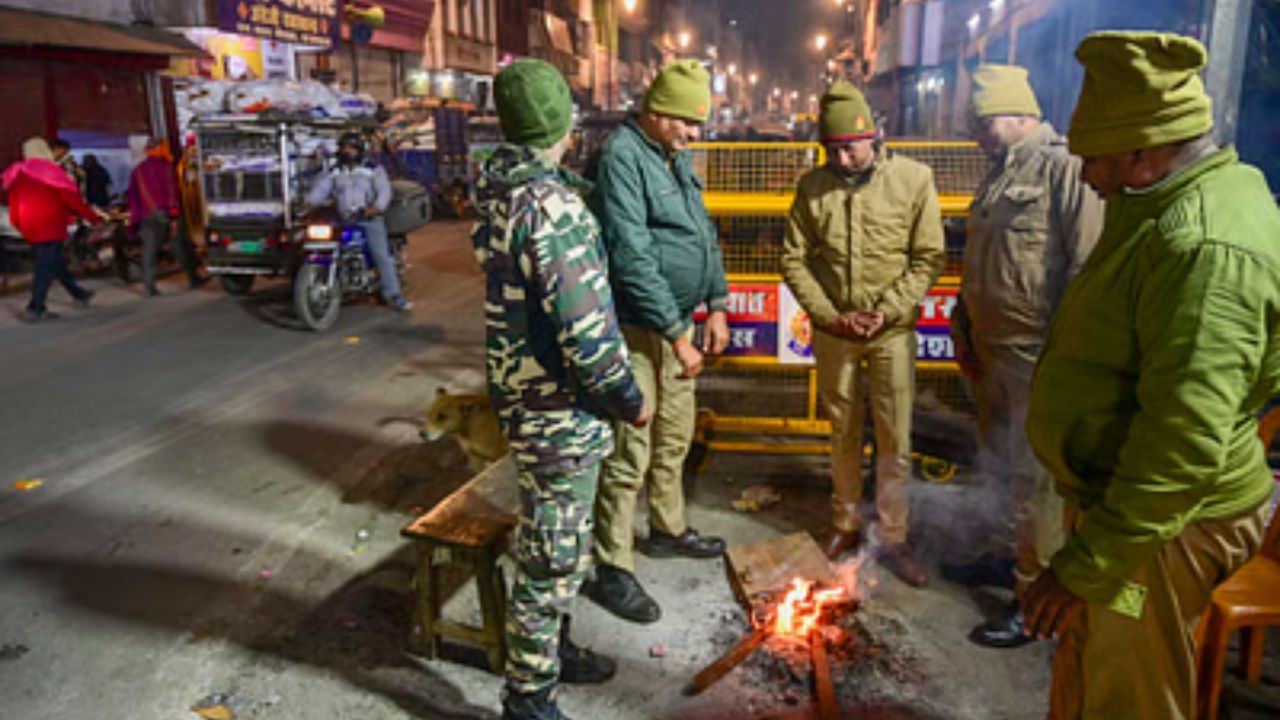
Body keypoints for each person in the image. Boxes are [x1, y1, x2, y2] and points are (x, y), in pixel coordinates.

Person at [1023, 31, 1280, 720]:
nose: (1085, 176)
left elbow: (1180, 445)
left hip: (1160, 529)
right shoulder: (1172, 200)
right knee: (1094, 670)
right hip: (1136, 512)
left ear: (1143, 151)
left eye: (1095, 157)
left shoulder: (1203, 246)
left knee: (1126, 699)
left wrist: (1086, 566)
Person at [473, 59, 651, 720]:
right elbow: (588, 336)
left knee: (556, 540)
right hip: (558, 411)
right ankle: (530, 698)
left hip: (525, 401)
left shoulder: (502, 191)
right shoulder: (551, 208)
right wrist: (630, 400)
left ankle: (553, 649)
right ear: (563, 125)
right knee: (550, 556)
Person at [942, 64, 1103, 647]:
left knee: (1036, 483)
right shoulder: (997, 172)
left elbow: (1087, 268)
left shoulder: (1064, 168)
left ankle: (1033, 598)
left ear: (1018, 114)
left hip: (1038, 357)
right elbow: (979, 262)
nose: (978, 135)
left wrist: (1068, 357)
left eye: (984, 123)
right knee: (996, 467)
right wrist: (963, 325)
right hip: (991, 351)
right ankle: (1001, 557)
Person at [781, 81, 945, 586]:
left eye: (850, 146)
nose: (842, 157)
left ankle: (893, 536)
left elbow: (928, 257)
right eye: (832, 150)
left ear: (875, 136)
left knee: (895, 435)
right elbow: (793, 258)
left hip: (890, 332)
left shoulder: (914, 180)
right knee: (843, 429)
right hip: (835, 332)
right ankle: (844, 523)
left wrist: (886, 311)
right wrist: (830, 315)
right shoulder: (813, 188)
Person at [584, 60, 730, 624]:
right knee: (630, 446)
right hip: (637, 327)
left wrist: (715, 303)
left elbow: (703, 232)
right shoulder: (622, 156)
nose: (695, 134)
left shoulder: (674, 155)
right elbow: (631, 255)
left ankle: (667, 529)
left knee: (675, 434)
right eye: (688, 123)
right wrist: (676, 333)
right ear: (658, 111)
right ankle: (612, 567)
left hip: (680, 324)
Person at [305, 131, 410, 311]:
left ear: (359, 150)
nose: (347, 152)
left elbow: (384, 191)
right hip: (344, 219)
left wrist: (375, 207)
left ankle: (395, 294)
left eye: (351, 148)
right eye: (344, 148)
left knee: (381, 255)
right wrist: (307, 202)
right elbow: (320, 190)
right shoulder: (335, 171)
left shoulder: (373, 169)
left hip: (369, 219)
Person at [2, 137, 100, 322]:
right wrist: (93, 218)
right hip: (50, 225)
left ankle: (79, 294)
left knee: (52, 262)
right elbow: (72, 200)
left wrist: (20, 226)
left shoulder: (16, 173)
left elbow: (13, 204)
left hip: (30, 225)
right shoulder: (51, 171)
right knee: (44, 265)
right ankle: (35, 308)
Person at [126, 138, 204, 296]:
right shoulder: (166, 167)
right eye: (165, 147)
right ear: (159, 149)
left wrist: (135, 217)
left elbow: (132, 196)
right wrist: (174, 216)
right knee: (179, 246)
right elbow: (171, 192)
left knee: (149, 251)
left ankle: (149, 287)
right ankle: (193, 278)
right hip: (166, 213)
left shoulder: (138, 170)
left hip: (146, 216)